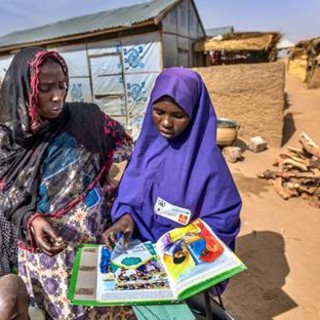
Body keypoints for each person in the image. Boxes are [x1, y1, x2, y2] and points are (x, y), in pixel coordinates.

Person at [0, 47, 135, 320]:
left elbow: (131, 156)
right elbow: (5, 192)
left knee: (108, 307)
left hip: (96, 242)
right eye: (46, 88)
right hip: (48, 261)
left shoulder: (89, 120)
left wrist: (121, 198)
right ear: (25, 88)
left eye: (62, 85)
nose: (58, 96)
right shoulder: (8, 139)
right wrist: (30, 218)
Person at [103, 67, 241, 317]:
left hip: (181, 274)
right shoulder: (143, 152)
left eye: (178, 115)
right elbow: (132, 197)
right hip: (141, 268)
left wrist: (182, 249)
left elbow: (224, 218)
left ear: (195, 115)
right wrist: (125, 217)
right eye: (159, 112)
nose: (166, 123)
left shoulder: (209, 166)